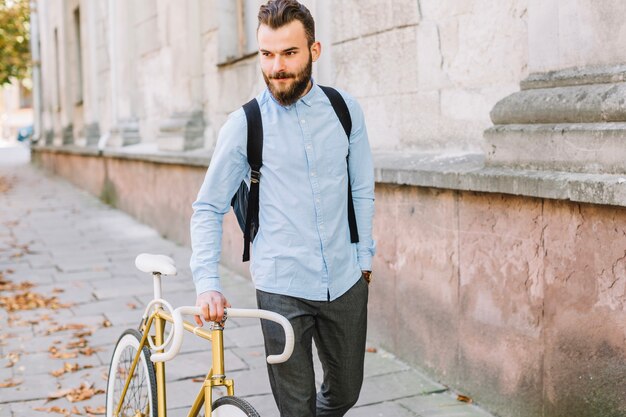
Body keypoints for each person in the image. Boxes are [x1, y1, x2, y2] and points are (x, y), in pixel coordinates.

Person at [189, 0, 375, 415]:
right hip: (281, 286)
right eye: (267, 54)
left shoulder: (345, 111)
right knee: (296, 408)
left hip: (345, 280)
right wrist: (207, 282)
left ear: (314, 50)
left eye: (289, 53)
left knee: (346, 392)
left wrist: (365, 259)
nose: (277, 67)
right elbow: (207, 207)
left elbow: (362, 188)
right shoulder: (244, 125)